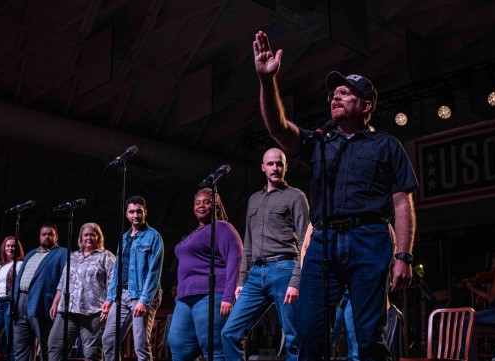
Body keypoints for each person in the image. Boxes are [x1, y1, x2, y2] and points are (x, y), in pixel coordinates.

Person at [252, 31, 418, 361]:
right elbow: (278, 128)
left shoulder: (386, 145)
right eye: (333, 93)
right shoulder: (320, 141)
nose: (336, 97)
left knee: (369, 337)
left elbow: (402, 201)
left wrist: (404, 256)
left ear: (366, 105)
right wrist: (267, 81)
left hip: (369, 239)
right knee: (310, 335)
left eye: (346, 92)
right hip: (324, 244)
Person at [221, 148, 309, 361]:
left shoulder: (296, 196)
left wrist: (296, 281)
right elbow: (248, 243)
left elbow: (307, 240)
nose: (275, 168)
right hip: (255, 275)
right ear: (263, 167)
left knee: (293, 338)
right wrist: (242, 280)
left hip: (284, 270)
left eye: (279, 164)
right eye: (270, 164)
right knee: (229, 333)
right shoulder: (254, 200)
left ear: (286, 167)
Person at [167, 188, 243, 361]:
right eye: (198, 202)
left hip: (211, 294)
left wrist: (228, 296)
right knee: (178, 346)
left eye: (206, 202)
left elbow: (235, 259)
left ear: (215, 205)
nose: (201, 205)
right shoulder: (193, 234)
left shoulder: (222, 228)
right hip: (185, 297)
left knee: (215, 348)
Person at [102, 196, 164, 361]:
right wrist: (109, 298)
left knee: (140, 345)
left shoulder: (153, 237)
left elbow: (154, 272)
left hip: (141, 294)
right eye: (132, 212)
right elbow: (117, 270)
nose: (135, 215)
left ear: (145, 212)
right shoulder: (124, 237)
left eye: (139, 211)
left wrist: (144, 300)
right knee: (108, 340)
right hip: (121, 295)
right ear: (127, 214)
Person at [48, 222, 115, 361]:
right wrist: (55, 302)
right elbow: (63, 281)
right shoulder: (73, 256)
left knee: (91, 353)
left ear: (98, 237)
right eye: (86, 235)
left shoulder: (106, 256)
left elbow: (113, 284)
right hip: (68, 310)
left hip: (94, 313)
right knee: (55, 346)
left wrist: (109, 307)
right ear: (81, 237)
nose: (89, 238)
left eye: (92, 234)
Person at [13, 224, 68, 361]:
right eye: (44, 234)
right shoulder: (31, 253)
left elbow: (65, 280)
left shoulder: (62, 253)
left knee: (47, 347)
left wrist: (57, 302)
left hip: (43, 304)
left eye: (50, 234)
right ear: (40, 236)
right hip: (21, 301)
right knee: (21, 348)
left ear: (56, 236)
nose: (47, 237)